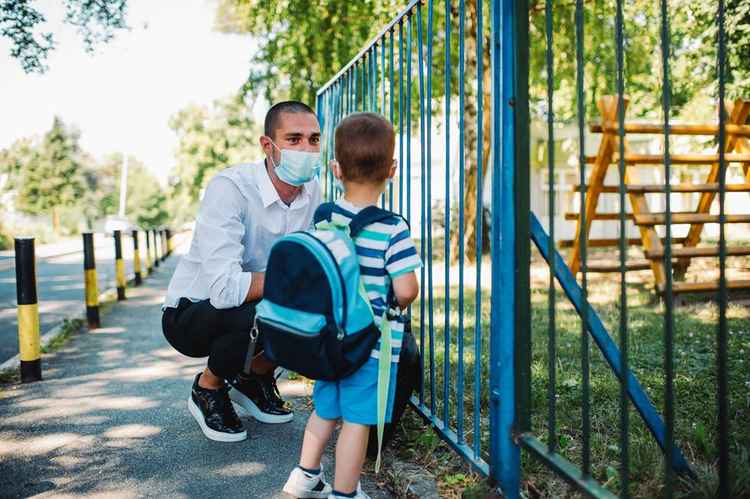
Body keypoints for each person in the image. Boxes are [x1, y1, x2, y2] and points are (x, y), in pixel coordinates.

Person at [161, 101, 322, 442]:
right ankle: (208, 387)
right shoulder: (230, 188)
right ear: (268, 145)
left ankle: (252, 378)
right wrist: (294, 281)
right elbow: (223, 290)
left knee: (320, 304)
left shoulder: (312, 192)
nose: (306, 149)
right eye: (293, 139)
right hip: (192, 313)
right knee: (260, 307)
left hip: (255, 304)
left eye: (313, 139)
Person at [283, 113, 421, 499]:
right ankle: (345, 493)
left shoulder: (324, 217)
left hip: (328, 339)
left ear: (335, 168)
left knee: (324, 408)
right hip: (371, 345)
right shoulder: (394, 228)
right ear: (392, 169)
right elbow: (407, 288)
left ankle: (303, 475)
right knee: (357, 421)